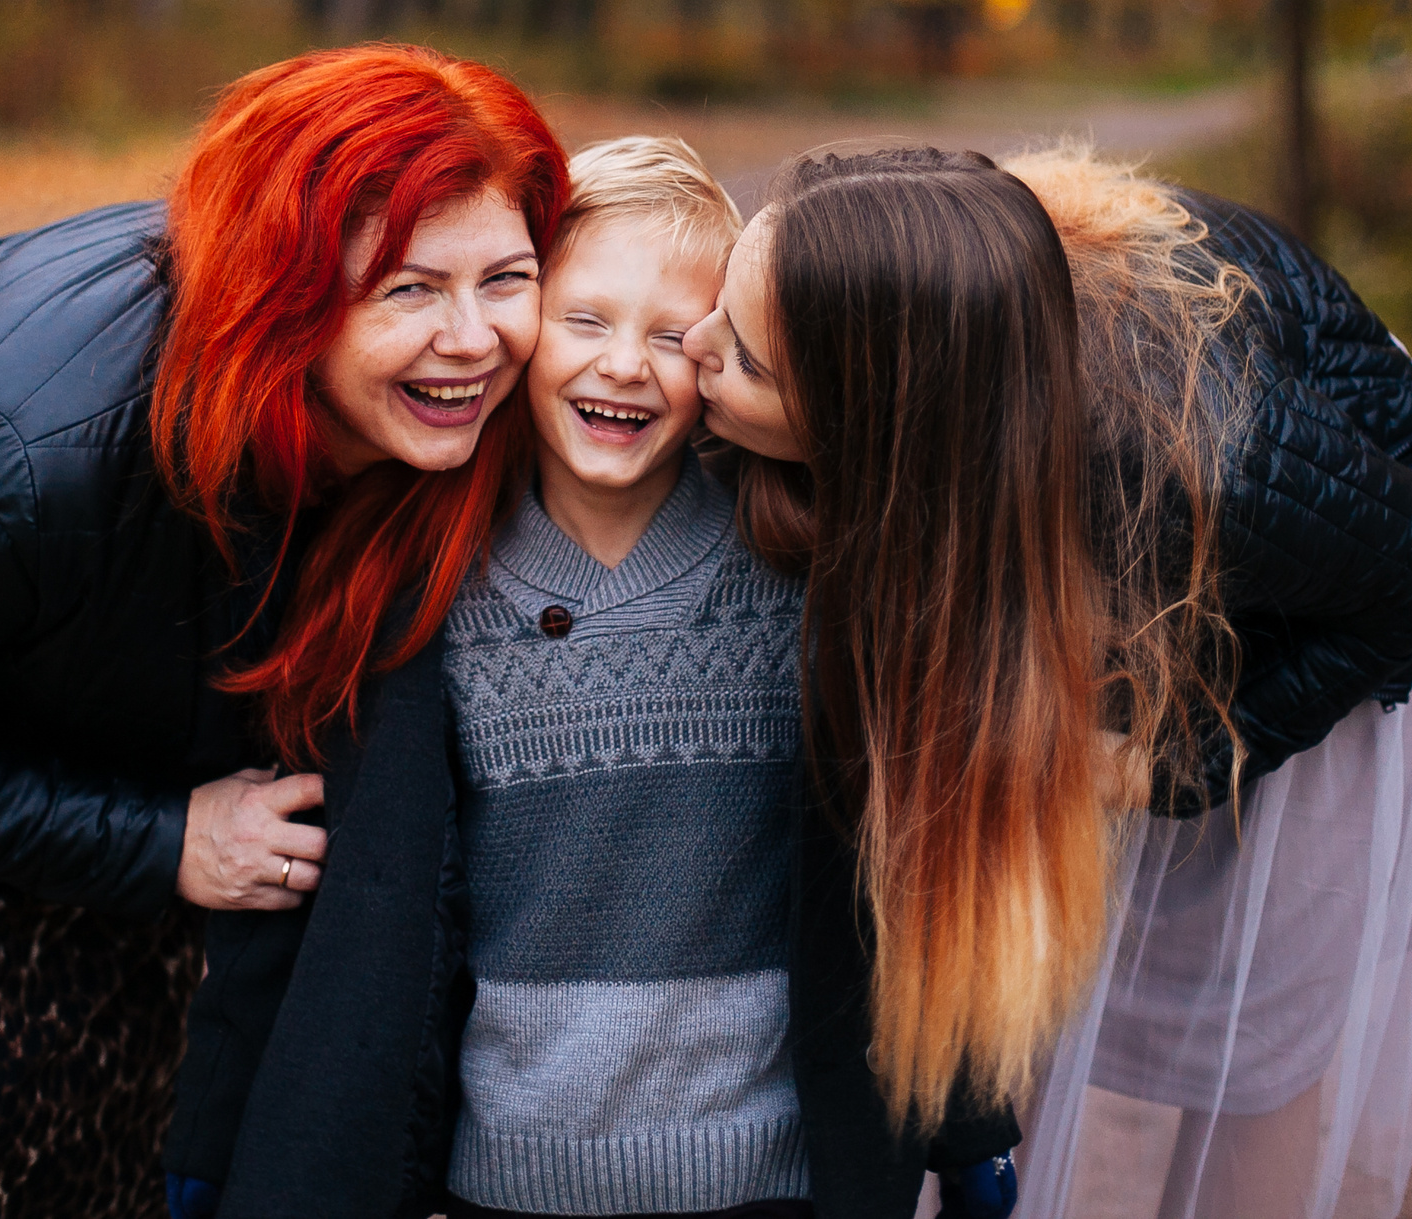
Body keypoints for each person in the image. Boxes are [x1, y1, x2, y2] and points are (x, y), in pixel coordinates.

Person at [0, 44, 567, 1218]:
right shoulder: (14, 456)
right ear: (281, 292)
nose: (475, 339)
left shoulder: (403, 408)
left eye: (505, 279)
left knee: (123, 1048)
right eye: (409, 290)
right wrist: (164, 839)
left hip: (89, 572)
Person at [158, 136, 1022, 1219]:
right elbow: (327, 896)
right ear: (523, 332)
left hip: (768, 1181)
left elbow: (909, 863)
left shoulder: (797, 576)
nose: (624, 365)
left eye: (672, 335)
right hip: (503, 1181)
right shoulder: (421, 594)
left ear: (724, 355)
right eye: (585, 320)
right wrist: (215, 1124)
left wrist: (968, 1115)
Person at [681, 144, 1412, 1219]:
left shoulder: (1207, 469)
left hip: (1343, 534)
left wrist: (1188, 759)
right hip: (1076, 486)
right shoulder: (922, 337)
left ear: (872, 423)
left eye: (744, 360)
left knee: (1260, 1020)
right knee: (1016, 956)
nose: (693, 347)